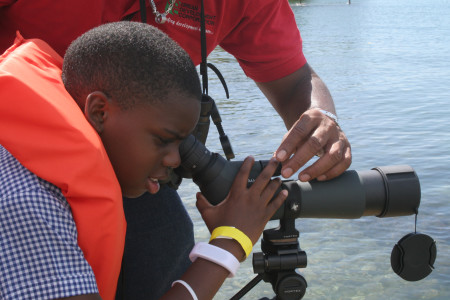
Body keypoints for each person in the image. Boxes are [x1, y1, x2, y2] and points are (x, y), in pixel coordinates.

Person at [0, 1, 352, 299]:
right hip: (29, 148)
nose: (177, 159)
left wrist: (322, 119)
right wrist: (230, 244)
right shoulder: (26, 207)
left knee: (166, 242)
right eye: (167, 143)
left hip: (115, 152)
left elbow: (293, 78)